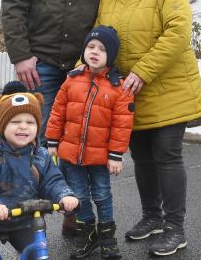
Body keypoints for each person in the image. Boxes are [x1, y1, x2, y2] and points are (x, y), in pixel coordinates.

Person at [1, 0, 118, 235]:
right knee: (28, 138)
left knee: (78, 141)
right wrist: (21, 55)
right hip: (42, 64)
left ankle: (74, 211)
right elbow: (14, 3)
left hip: (85, 68)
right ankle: (20, 214)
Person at [94, 0, 201, 256]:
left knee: (167, 156)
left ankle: (174, 227)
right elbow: (99, 38)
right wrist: (84, 70)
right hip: (129, 94)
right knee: (142, 158)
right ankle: (152, 218)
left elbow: (177, 34)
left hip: (168, 89)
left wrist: (142, 70)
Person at [0, 81, 80, 260]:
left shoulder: (41, 156)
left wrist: (64, 195)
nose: (23, 127)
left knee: (37, 252)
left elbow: (53, 181)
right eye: (15, 122)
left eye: (30, 122)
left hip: (22, 219)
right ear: (2, 125)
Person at [45, 26, 134, 259]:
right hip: (71, 154)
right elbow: (57, 112)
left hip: (100, 157)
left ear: (111, 56)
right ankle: (87, 234)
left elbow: (122, 125)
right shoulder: (71, 80)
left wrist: (116, 155)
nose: (95, 52)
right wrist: (52, 141)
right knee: (79, 196)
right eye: (90, 47)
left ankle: (107, 237)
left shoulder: (119, 87)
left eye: (102, 49)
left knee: (102, 195)